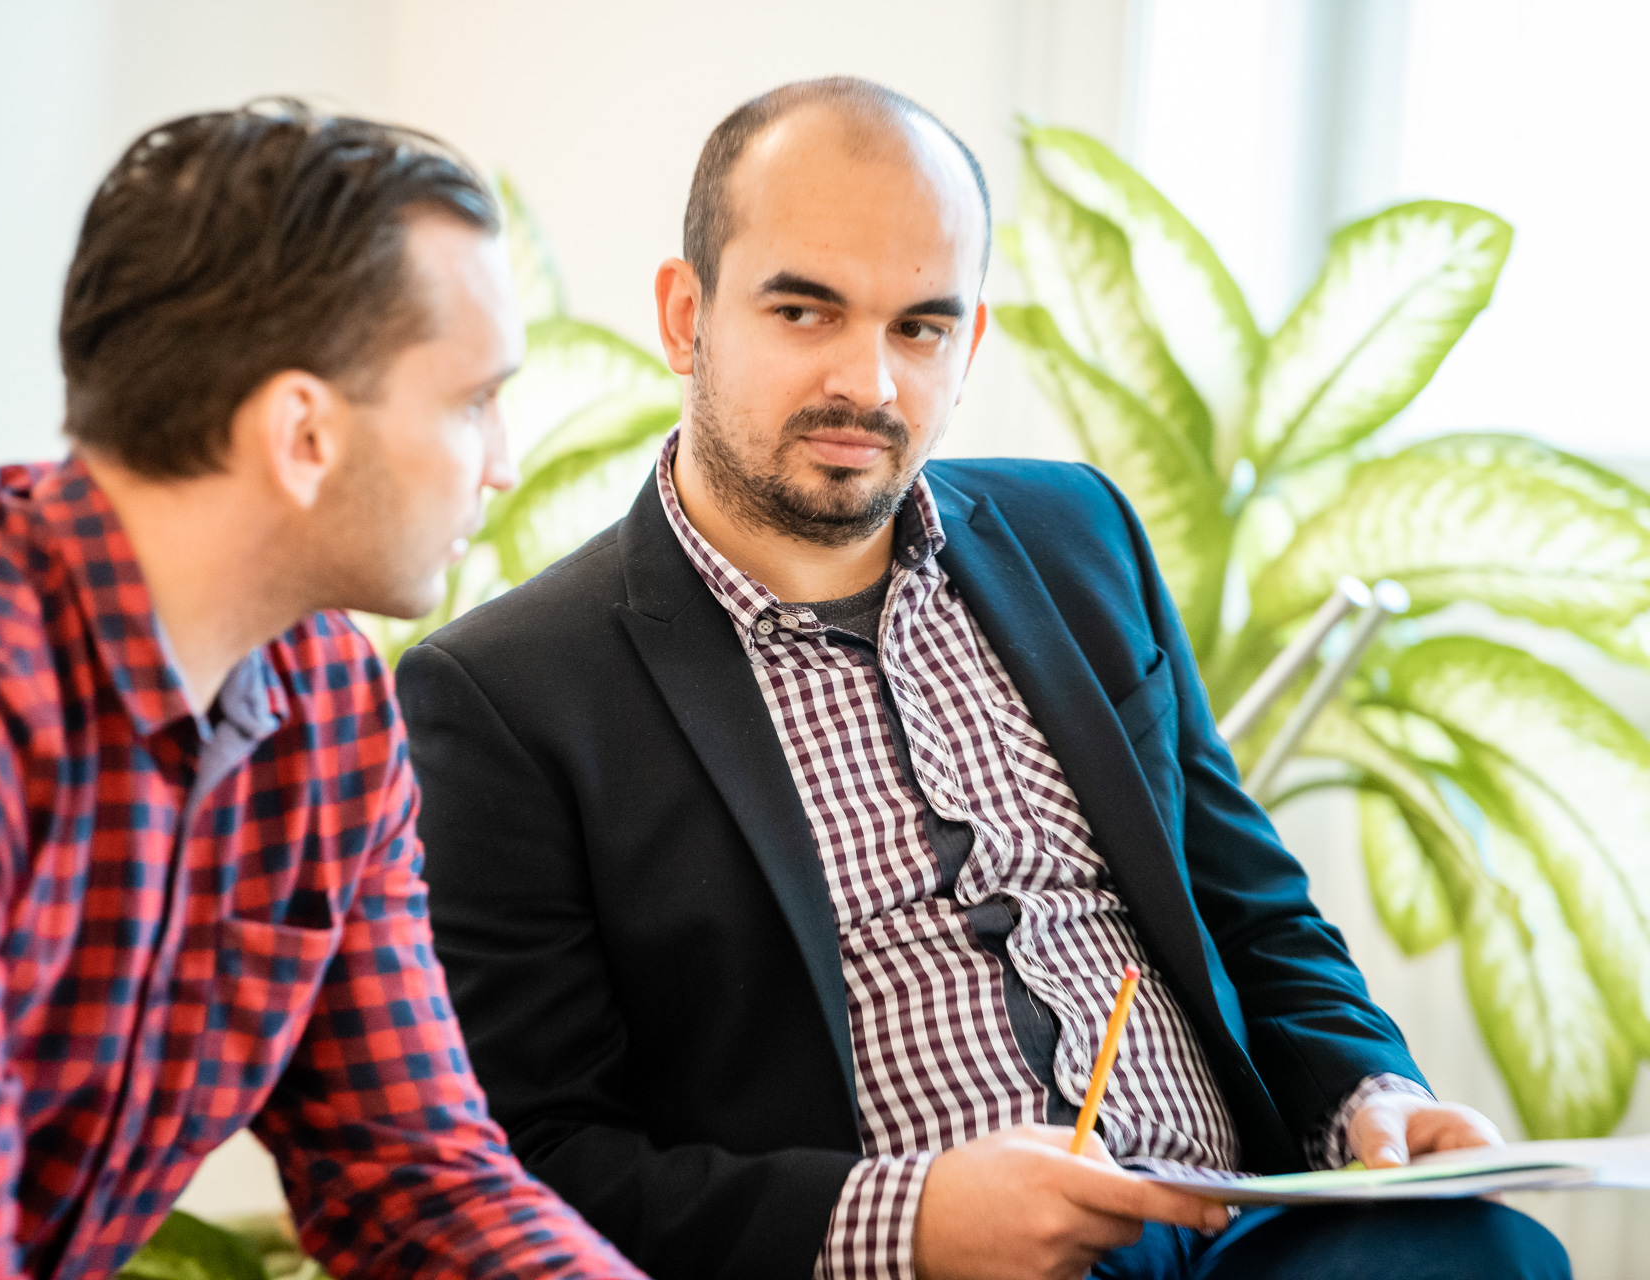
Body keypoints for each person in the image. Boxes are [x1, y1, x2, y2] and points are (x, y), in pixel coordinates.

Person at [394, 78, 1571, 1280]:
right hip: (902, 1263)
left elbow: (1254, 911)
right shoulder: (506, 694)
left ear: (972, 339)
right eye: (806, 311)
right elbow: (532, 1162)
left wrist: (1366, 1093)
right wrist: (905, 1222)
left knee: (1485, 1250)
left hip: (1243, 1234)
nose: (873, 384)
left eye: (920, 326)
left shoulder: (1081, 535)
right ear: (685, 314)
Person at [0, 101, 641, 1280]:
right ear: (303, 433)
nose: (505, 460)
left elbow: (417, 1176)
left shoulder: (331, 710)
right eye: (472, 401)